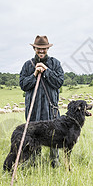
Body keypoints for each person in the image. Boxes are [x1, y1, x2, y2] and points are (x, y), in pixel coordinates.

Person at [19, 35, 64, 167]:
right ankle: (33, 161)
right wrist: (34, 74)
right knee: (33, 133)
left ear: (47, 48)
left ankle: (54, 161)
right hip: (33, 108)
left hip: (50, 107)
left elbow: (59, 82)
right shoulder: (28, 65)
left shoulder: (55, 64)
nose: (41, 51)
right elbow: (23, 85)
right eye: (39, 48)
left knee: (54, 133)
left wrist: (46, 71)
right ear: (34, 48)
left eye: (44, 48)